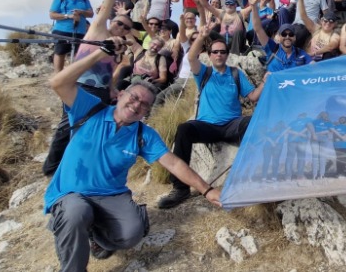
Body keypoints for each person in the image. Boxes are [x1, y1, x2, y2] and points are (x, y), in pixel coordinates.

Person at [44, 39, 221, 271]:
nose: (137, 105)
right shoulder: (90, 109)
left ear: (147, 112)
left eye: (144, 105)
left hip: (110, 195)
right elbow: (57, 82)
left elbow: (173, 164)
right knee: (76, 212)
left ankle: (93, 233)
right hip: (71, 193)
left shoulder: (143, 134)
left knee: (132, 233)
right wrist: (99, 54)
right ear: (120, 95)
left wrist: (207, 190)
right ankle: (70, 243)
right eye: (134, 97)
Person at [157, 27, 266, 209]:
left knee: (251, 123)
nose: (219, 55)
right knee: (184, 129)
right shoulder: (204, 72)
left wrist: (264, 82)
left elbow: (253, 96)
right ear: (209, 55)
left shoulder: (235, 73)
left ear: (227, 54)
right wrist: (202, 36)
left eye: (223, 52)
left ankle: (254, 178)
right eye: (215, 52)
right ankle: (180, 188)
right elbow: (191, 57)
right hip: (207, 126)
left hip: (232, 125)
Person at [42, 0, 134, 176]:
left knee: (91, 129)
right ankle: (51, 169)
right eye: (119, 23)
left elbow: (109, 73)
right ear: (112, 21)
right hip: (80, 86)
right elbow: (105, 9)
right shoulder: (98, 32)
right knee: (67, 126)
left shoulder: (118, 47)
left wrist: (112, 88)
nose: (121, 28)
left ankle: (80, 165)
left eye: (126, 27)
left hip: (101, 92)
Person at [49, 0, 94, 73]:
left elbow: (91, 14)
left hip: (80, 31)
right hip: (62, 30)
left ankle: (73, 77)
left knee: (78, 55)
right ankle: (58, 76)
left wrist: (81, 12)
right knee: (60, 53)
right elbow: (52, 15)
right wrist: (68, 16)